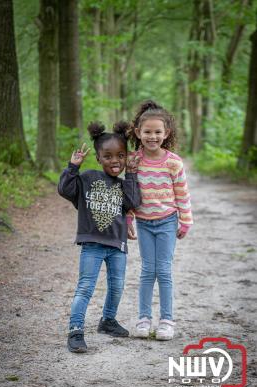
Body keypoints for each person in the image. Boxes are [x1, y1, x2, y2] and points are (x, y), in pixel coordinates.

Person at [58, 121, 141, 353]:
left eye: (121, 156)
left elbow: (134, 202)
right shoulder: (86, 179)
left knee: (117, 286)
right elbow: (65, 189)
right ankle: (75, 330)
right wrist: (72, 167)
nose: (115, 161)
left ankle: (108, 321)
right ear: (98, 158)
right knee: (85, 287)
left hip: (117, 244)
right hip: (92, 244)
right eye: (108, 156)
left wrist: (132, 174)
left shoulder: (124, 185)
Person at [127, 100, 193, 340]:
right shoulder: (134, 160)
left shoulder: (173, 162)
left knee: (163, 271)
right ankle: (144, 319)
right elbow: (130, 192)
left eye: (157, 132)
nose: (152, 136)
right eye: (147, 132)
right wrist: (128, 219)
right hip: (144, 223)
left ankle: (166, 320)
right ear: (138, 133)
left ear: (166, 133)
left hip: (167, 221)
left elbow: (182, 193)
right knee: (147, 271)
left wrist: (185, 221)